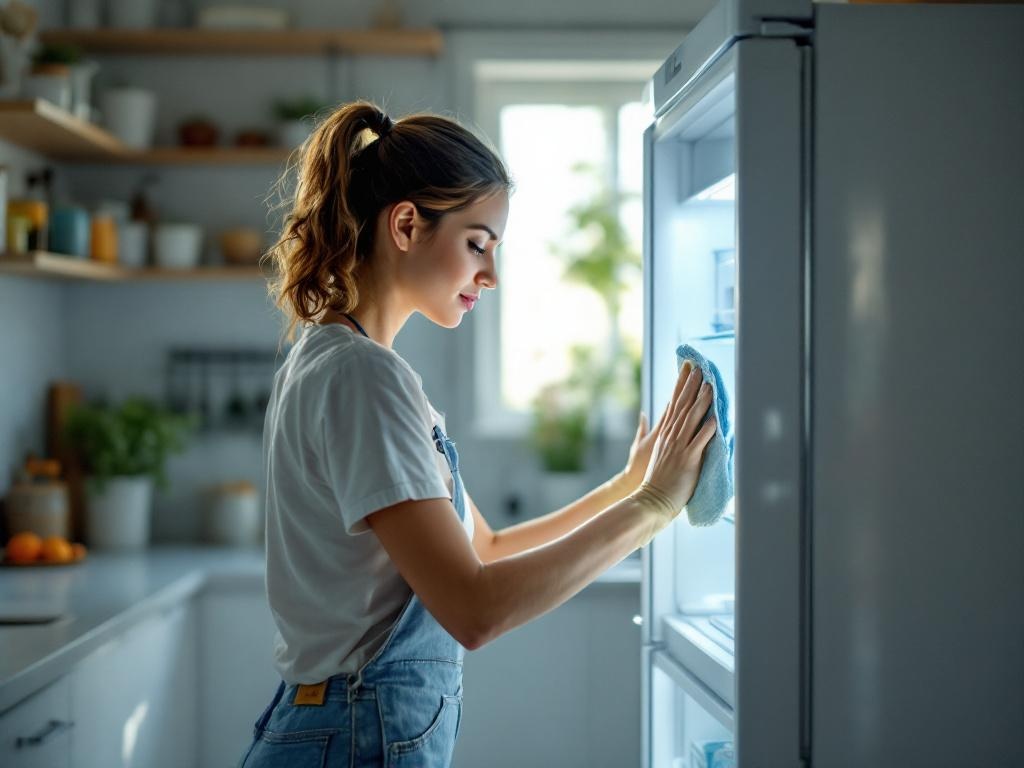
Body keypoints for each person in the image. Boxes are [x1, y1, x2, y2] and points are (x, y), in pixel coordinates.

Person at [239, 100, 716, 767]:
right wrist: (653, 506)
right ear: (406, 224)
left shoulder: (338, 361)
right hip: (351, 732)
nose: (490, 276)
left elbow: (483, 549)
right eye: (477, 244)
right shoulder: (364, 377)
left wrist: (623, 487)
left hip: (338, 726)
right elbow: (473, 609)